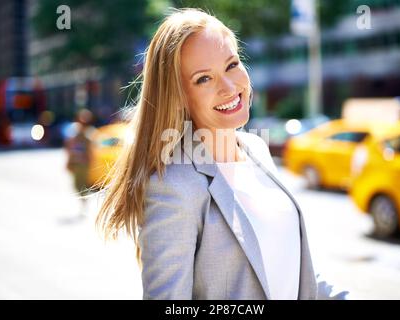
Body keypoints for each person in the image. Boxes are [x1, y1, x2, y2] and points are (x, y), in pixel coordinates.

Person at [96, 8, 348, 300]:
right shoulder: (174, 185)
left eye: (231, 65)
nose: (229, 87)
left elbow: (292, 272)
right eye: (204, 79)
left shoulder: (257, 150)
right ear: (179, 97)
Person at [65, 108, 95, 217]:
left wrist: (92, 160)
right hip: (76, 162)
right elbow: (69, 147)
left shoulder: (89, 132)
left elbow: (91, 148)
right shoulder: (74, 131)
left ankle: (84, 201)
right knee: (76, 184)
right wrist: (68, 161)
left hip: (84, 163)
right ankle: (83, 200)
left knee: (82, 184)